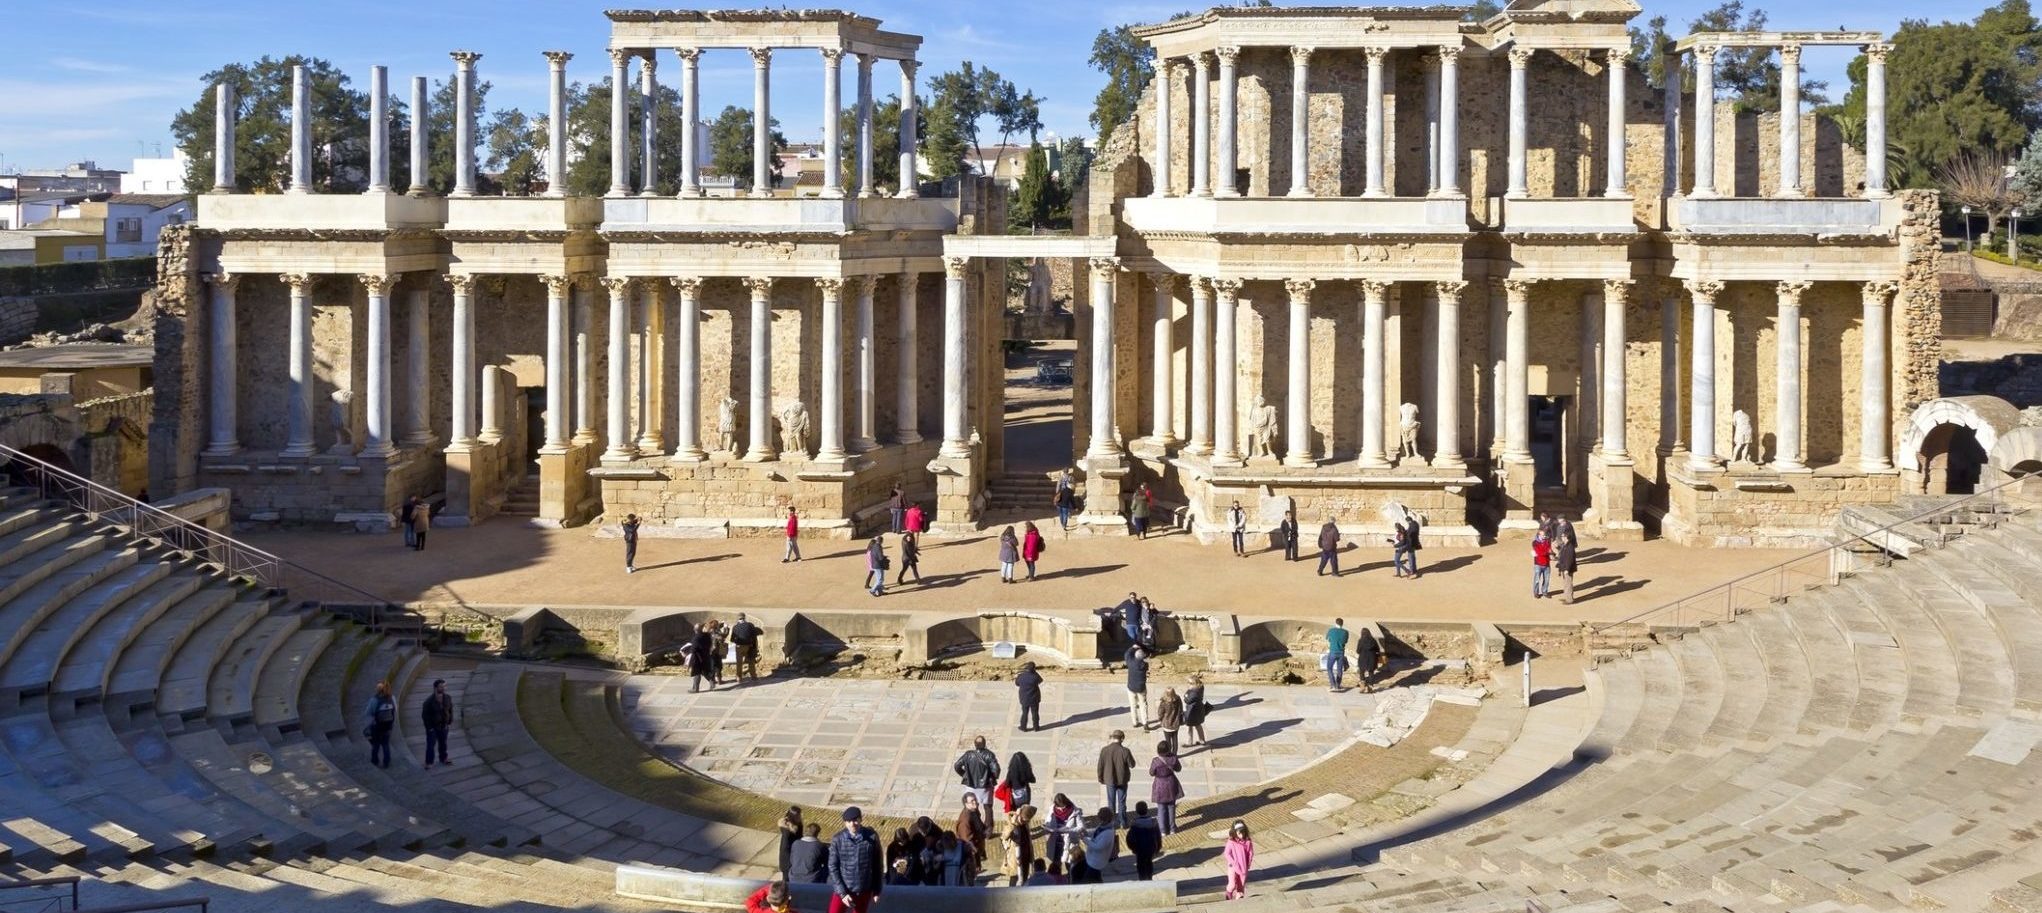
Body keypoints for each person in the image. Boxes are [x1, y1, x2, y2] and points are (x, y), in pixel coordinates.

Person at [827, 807, 882, 913]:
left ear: (861, 819)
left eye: (855, 820)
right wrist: (842, 893)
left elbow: (877, 865)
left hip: (863, 889)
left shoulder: (872, 837)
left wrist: (877, 889)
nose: (852, 824)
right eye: (849, 821)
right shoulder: (838, 839)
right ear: (845, 823)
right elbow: (833, 867)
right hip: (844, 888)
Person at [954, 736, 1001, 831]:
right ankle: (988, 830)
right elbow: (996, 770)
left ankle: (975, 826)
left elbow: (957, 766)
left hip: (971, 786)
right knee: (988, 808)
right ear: (984, 744)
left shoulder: (968, 755)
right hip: (985, 787)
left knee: (972, 807)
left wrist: (965, 775)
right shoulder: (989, 755)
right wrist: (991, 777)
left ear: (975, 745)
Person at [1097, 730, 1135, 826]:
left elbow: (1100, 766)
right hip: (1122, 780)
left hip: (1109, 779)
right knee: (1122, 802)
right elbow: (1132, 764)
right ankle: (1123, 822)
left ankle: (1112, 822)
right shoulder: (1125, 751)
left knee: (1111, 802)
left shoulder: (1104, 750)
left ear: (1112, 737)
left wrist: (1100, 778)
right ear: (1122, 739)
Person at [1148, 741, 1183, 836]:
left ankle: (1162, 830)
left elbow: (1151, 773)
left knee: (1161, 807)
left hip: (1160, 784)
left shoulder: (1156, 761)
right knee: (1171, 807)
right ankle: (1172, 828)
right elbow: (1178, 769)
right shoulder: (1173, 758)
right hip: (1171, 783)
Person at [1043, 793, 1082, 877]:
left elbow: (1081, 827)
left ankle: (1071, 878)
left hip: (1069, 841)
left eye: (1062, 807)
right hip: (1056, 840)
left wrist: (1069, 830)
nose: (1060, 809)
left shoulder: (1074, 811)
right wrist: (1047, 827)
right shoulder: (1053, 808)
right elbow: (1048, 820)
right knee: (1056, 862)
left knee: (1069, 862)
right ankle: (1057, 880)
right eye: (1058, 807)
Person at [421, 678, 455, 768]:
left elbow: (451, 710)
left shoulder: (447, 697)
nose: (443, 688)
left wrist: (450, 721)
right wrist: (429, 728)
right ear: (435, 688)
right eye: (441, 687)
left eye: (444, 686)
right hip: (433, 727)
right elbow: (425, 716)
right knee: (430, 745)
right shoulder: (428, 702)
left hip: (444, 726)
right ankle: (429, 762)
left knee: (443, 743)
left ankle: (444, 758)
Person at [1125, 802, 1162, 881]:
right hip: (1151, 848)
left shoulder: (1135, 823)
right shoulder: (1153, 822)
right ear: (1147, 810)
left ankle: (1142, 880)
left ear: (1136, 811)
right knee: (1149, 863)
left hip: (1139, 849)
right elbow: (1158, 836)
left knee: (1140, 865)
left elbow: (1130, 838)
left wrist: (1133, 848)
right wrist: (1158, 847)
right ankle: (1149, 878)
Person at [1001, 804, 1036, 886]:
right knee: (1015, 878)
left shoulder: (1025, 825)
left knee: (1024, 877)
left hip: (1026, 856)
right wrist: (1013, 821)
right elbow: (1005, 836)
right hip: (1015, 857)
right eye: (1024, 820)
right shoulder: (1011, 825)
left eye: (1027, 821)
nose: (1025, 822)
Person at [1080, 809, 1118, 882]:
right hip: (1092, 859)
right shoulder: (1103, 826)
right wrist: (1086, 832)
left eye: (1101, 819)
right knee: (1096, 878)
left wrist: (1085, 840)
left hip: (1096, 862)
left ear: (1106, 820)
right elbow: (1095, 833)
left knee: (1086, 880)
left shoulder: (1108, 833)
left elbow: (1098, 847)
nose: (1100, 821)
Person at [366, 681, 396, 768]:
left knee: (376, 744)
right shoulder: (392, 698)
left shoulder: (374, 700)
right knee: (386, 744)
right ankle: (386, 762)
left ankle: (375, 760)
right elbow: (394, 711)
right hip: (388, 725)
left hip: (377, 726)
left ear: (378, 690)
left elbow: (368, 712)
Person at [954, 793, 988, 870]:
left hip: (978, 843)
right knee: (973, 868)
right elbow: (966, 839)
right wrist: (975, 851)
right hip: (971, 850)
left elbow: (978, 822)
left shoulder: (974, 810)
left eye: (975, 799)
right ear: (966, 804)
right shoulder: (965, 821)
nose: (975, 802)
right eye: (972, 801)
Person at [1223, 820, 1255, 900]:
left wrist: (1248, 864)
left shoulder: (1248, 841)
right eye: (1239, 833)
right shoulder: (1231, 842)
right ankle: (1228, 892)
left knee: (1241, 886)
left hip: (1243, 867)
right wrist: (1234, 863)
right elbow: (1227, 853)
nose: (1241, 835)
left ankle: (1239, 899)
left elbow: (1250, 853)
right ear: (1235, 832)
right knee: (1232, 884)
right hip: (1233, 867)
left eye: (1243, 833)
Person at [732, 613, 763, 683]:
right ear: (744, 618)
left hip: (739, 646)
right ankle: (753, 676)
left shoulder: (735, 627)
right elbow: (753, 635)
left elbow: (732, 639)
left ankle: (739, 677)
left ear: (738, 618)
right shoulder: (750, 625)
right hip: (749, 646)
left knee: (739, 663)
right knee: (751, 661)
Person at [1124, 646, 1150, 729]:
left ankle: (1135, 722)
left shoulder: (1130, 663)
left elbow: (1127, 654)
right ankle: (1145, 723)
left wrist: (1133, 647)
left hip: (1131, 687)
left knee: (1133, 705)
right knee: (1143, 705)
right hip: (1141, 687)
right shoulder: (1145, 665)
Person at [1014, 662, 1043, 732]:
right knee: (1035, 713)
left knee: (1024, 713)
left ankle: (1023, 727)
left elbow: (1017, 683)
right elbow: (1040, 680)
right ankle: (1036, 727)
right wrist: (1035, 673)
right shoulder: (1035, 676)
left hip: (1024, 698)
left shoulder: (1021, 676)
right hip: (1034, 698)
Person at [1183, 674, 1210, 748]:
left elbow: (1187, 700)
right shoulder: (1200, 688)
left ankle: (1189, 742)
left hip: (1192, 711)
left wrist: (1186, 695)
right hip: (1199, 710)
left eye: (1190, 683)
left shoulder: (1194, 692)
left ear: (1194, 684)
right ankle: (1202, 740)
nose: (1188, 684)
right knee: (1198, 725)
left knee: (1189, 726)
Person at [688, 623, 716, 693]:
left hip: (697, 657)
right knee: (705, 671)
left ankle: (695, 688)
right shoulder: (707, 635)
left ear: (695, 630)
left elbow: (693, 649)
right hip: (706, 655)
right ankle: (711, 682)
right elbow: (710, 644)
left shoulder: (696, 638)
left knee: (696, 672)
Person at [1156, 687, 1184, 756]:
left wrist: (1160, 719)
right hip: (1176, 723)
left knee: (1168, 741)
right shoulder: (1178, 699)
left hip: (1166, 725)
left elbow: (1160, 712)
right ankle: (1175, 754)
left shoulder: (1164, 702)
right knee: (1175, 740)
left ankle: (1168, 754)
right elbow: (1181, 709)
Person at [1553, 528, 1578, 605]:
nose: (1562, 537)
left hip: (1568, 569)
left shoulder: (1570, 547)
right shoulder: (1565, 545)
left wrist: (1567, 569)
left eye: (1563, 536)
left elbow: (1570, 559)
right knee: (1566, 584)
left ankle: (1569, 600)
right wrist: (1557, 547)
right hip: (1564, 568)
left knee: (1568, 584)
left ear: (1567, 537)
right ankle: (1567, 597)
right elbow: (1562, 553)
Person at [778, 807, 805, 878]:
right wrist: (788, 865)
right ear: (793, 817)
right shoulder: (787, 832)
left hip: (795, 855)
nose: (801, 816)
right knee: (787, 881)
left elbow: (800, 837)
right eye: (799, 815)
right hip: (788, 862)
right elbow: (784, 849)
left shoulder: (798, 825)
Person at [1325, 618, 1351, 692]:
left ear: (1335, 623)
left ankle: (1333, 684)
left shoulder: (1331, 630)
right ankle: (1338, 685)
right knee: (1339, 670)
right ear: (1342, 624)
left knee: (1329, 668)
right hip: (1341, 652)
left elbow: (1328, 639)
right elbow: (1345, 642)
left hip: (1333, 651)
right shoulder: (1345, 632)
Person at [1354, 627, 1381, 694]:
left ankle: (1362, 687)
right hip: (1372, 659)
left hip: (1363, 658)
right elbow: (1378, 649)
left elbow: (1358, 651)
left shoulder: (1361, 640)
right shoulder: (1373, 640)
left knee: (1362, 672)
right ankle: (1370, 687)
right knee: (1371, 672)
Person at [1532, 532, 1552, 598]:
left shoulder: (1548, 541)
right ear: (1539, 535)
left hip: (1547, 563)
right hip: (1538, 564)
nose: (1545, 536)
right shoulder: (1535, 543)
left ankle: (1545, 592)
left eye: (1545, 535)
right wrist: (1548, 552)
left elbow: (1549, 550)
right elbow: (1539, 552)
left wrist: (1549, 552)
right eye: (1543, 535)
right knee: (1537, 580)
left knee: (1547, 580)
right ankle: (1536, 592)